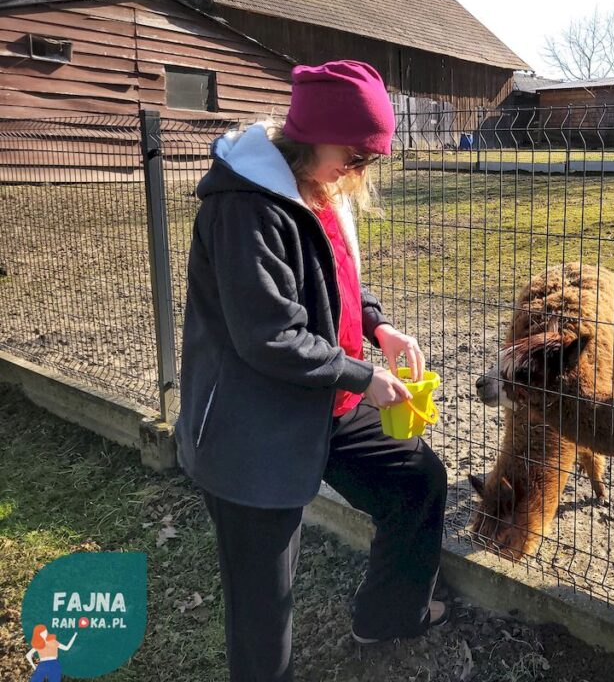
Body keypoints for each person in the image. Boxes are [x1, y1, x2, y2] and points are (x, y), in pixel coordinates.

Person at [175, 60, 448, 682]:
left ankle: (390, 614)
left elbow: (335, 281)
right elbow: (270, 336)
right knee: (264, 603)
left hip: (326, 401)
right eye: (355, 156)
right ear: (315, 135)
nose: (359, 171)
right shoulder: (246, 206)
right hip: (255, 423)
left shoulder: (318, 190)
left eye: (369, 160)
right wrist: (364, 377)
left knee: (416, 481)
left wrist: (378, 327)